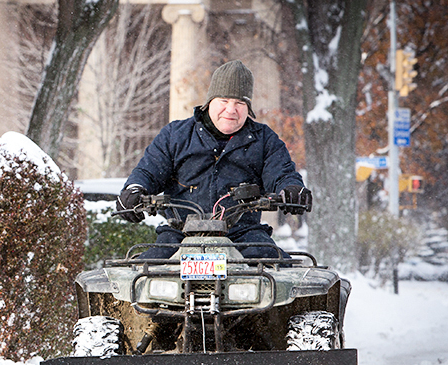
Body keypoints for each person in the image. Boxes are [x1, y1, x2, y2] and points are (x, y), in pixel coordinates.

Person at [116, 59, 311, 260]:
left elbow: (282, 173)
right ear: (210, 102)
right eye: (224, 101)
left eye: (240, 103)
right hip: (180, 233)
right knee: (145, 273)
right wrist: (135, 190)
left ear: (248, 108)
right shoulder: (175, 135)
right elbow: (148, 171)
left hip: (244, 235)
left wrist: (292, 190)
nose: (231, 110)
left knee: (275, 270)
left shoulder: (264, 140)